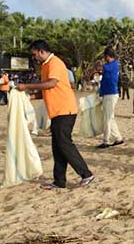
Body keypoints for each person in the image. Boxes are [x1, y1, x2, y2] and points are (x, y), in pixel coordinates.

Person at [16, 40, 94, 189]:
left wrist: (26, 86)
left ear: (41, 51)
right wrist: (29, 97)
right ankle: (59, 181)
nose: (34, 58)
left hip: (65, 110)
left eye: (34, 55)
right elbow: (47, 90)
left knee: (64, 144)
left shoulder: (55, 63)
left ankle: (86, 174)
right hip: (57, 112)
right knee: (57, 147)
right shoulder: (45, 65)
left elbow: (51, 84)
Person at [98, 47, 124, 149]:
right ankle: (118, 138)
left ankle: (106, 141)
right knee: (110, 117)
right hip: (109, 93)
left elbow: (101, 69)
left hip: (110, 94)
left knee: (107, 118)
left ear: (108, 56)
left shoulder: (112, 65)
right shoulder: (113, 65)